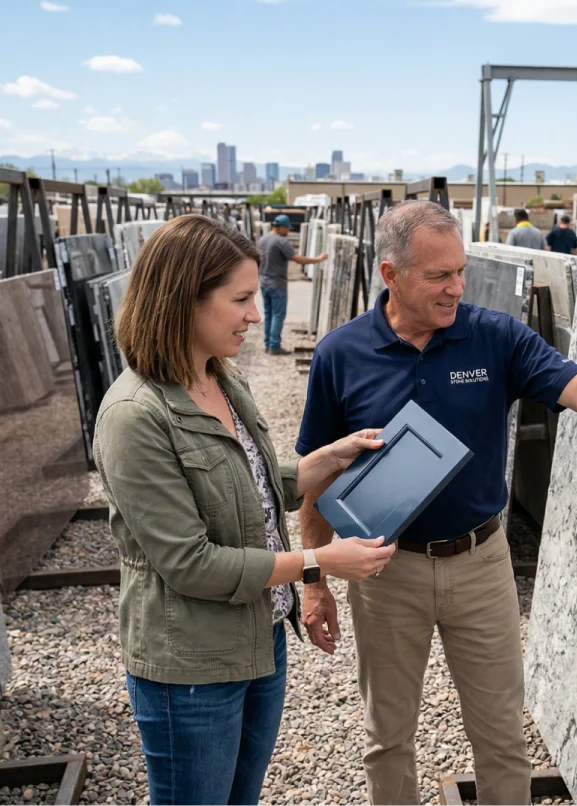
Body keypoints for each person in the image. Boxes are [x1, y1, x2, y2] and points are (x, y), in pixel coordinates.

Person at [295, 201, 577, 805]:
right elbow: (315, 479)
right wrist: (313, 576)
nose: (456, 286)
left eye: (459, 270)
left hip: (482, 566)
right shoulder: (340, 355)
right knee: (388, 738)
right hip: (383, 570)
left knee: (502, 737)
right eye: (437, 276)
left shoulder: (494, 336)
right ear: (390, 275)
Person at [95, 214, 396, 806]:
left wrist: (333, 456)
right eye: (241, 299)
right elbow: (191, 564)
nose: (256, 315)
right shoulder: (136, 415)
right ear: (184, 300)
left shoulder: (222, 381)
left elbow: (259, 488)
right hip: (191, 668)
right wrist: (318, 560)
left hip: (261, 639)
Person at [257, 213, 327, 355]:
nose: (288, 231)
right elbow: (297, 259)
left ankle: (268, 344)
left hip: (264, 282)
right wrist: (317, 259)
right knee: (278, 314)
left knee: (268, 314)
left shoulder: (263, 239)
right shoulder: (281, 242)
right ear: (281, 227)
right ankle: (274, 346)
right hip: (277, 283)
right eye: (287, 228)